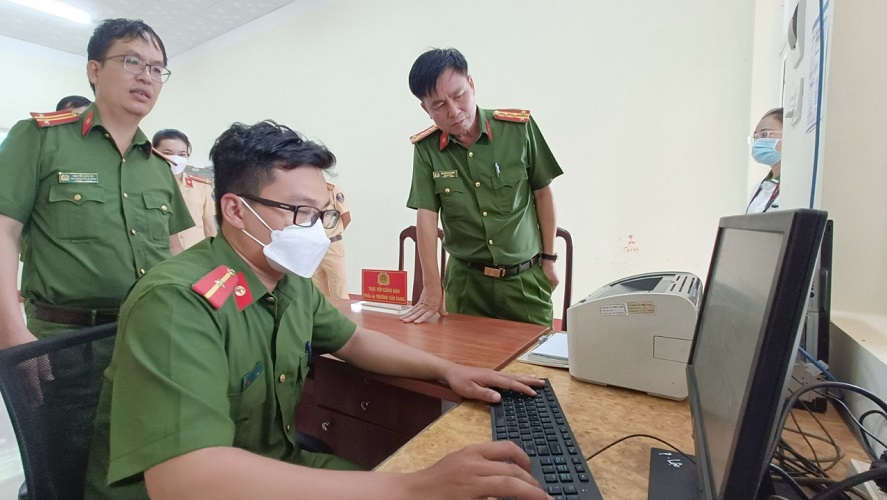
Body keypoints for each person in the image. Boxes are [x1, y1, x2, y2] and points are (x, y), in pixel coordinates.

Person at [83, 120, 549, 500]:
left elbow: (354, 340)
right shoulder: (178, 301)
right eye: (300, 212)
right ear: (236, 210)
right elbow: (186, 481)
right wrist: (415, 488)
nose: (316, 230)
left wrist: (448, 371)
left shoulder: (286, 281)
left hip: (275, 468)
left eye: (321, 214)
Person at [0, 19, 192, 488]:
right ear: (94, 69)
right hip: (67, 348)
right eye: (132, 61)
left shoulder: (158, 166)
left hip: (148, 342)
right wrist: (11, 332)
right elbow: (3, 231)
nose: (146, 76)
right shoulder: (39, 138)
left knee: (133, 470)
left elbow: (175, 252)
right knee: (62, 475)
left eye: (157, 69)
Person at [402, 48, 563, 327]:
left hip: (524, 280)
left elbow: (542, 193)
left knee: (535, 355)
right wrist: (432, 286)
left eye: (459, 95)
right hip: (466, 285)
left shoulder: (518, 130)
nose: (454, 111)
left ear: (471, 84)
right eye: (439, 105)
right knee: (464, 354)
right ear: (426, 110)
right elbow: (426, 216)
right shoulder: (428, 150)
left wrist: (548, 260)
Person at [153, 128, 218, 249]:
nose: (175, 158)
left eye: (182, 154)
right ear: (154, 152)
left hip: (196, 254)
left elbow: (210, 228)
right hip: (160, 254)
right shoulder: (146, 187)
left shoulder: (202, 187)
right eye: (168, 153)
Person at [312, 181, 351, 299]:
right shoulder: (308, 191)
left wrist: (333, 233)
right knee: (317, 289)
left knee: (338, 287)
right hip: (314, 246)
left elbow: (346, 217)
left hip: (332, 245)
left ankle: (342, 311)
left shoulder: (333, 190)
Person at [747, 107, 783, 214]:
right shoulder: (758, 188)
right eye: (756, 137)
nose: (758, 141)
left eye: (764, 135)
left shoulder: (797, 186)